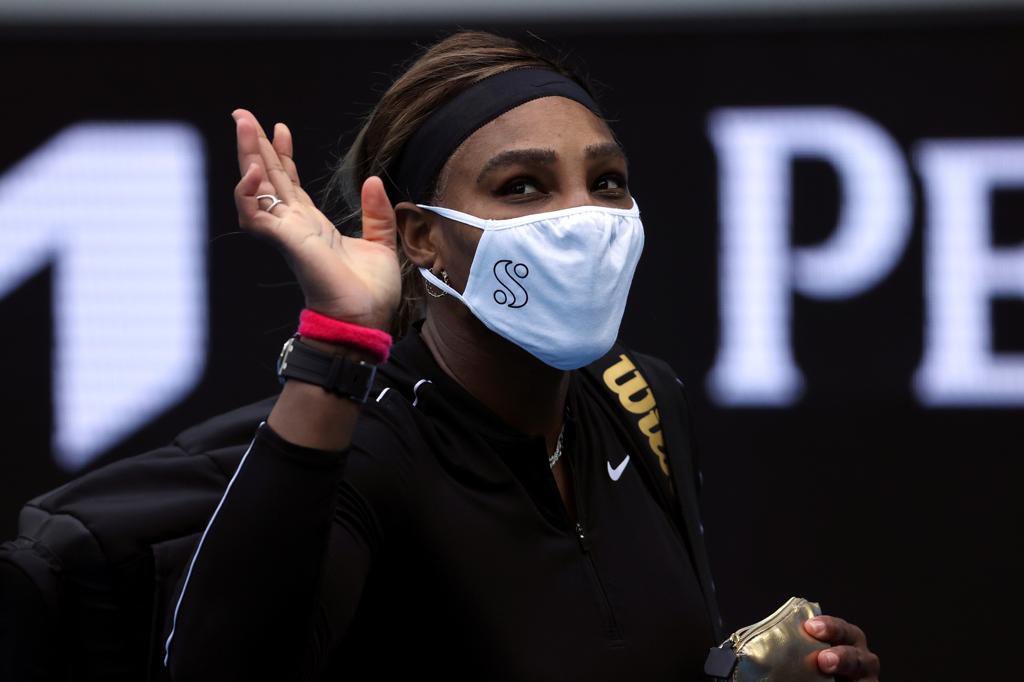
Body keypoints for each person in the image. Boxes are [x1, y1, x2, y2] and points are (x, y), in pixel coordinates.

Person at [161, 30, 881, 681]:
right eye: (523, 187)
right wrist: (339, 340)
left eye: (606, 182)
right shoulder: (370, 448)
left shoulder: (640, 396)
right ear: (423, 238)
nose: (583, 218)